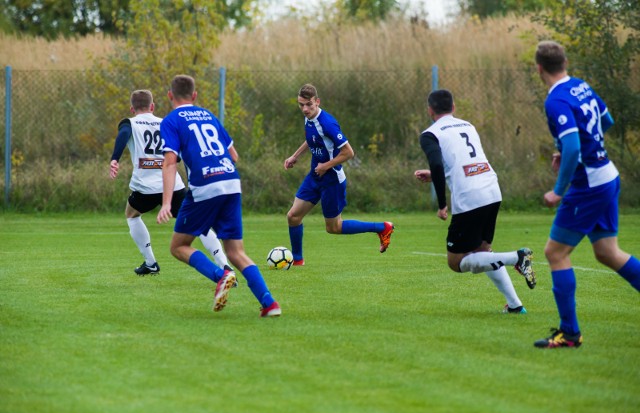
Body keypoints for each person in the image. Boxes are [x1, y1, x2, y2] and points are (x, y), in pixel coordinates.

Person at [533, 41, 640, 348]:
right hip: (607, 175)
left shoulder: (555, 100)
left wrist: (558, 191)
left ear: (539, 68)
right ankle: (569, 331)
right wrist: (573, 149)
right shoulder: (581, 86)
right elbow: (606, 121)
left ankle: (569, 333)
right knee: (608, 252)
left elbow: (574, 146)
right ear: (564, 62)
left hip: (589, 185)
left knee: (555, 253)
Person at [157, 75, 280, 317]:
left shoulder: (171, 121)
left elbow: (170, 162)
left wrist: (166, 203)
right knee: (236, 252)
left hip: (205, 186)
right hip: (231, 182)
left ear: (170, 95)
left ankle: (220, 275)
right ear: (194, 95)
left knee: (179, 246)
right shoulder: (209, 116)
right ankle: (269, 303)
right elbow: (234, 155)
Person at [414, 89, 536, 314]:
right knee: (483, 251)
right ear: (454, 107)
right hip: (491, 190)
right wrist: (434, 175)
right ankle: (515, 305)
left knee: (456, 262)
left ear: (430, 110)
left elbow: (439, 164)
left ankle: (517, 258)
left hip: (470, 198)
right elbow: (463, 162)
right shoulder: (467, 126)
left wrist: (442, 204)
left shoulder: (430, 134)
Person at [109, 89, 230, 276]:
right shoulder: (166, 123)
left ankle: (150, 263)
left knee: (132, 215)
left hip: (145, 188)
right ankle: (224, 265)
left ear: (132, 109)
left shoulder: (130, 123)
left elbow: (123, 134)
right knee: (200, 223)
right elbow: (179, 156)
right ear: (152, 106)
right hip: (173, 185)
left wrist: (115, 158)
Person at [284, 83, 395, 265]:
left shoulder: (328, 123)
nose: (305, 109)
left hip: (332, 180)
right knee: (293, 216)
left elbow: (349, 153)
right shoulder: (308, 118)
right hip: (315, 176)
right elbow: (312, 139)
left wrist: (325, 166)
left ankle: (382, 227)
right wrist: (295, 156)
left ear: (317, 102)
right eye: (301, 104)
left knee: (334, 227)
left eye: (309, 105)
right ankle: (297, 261)